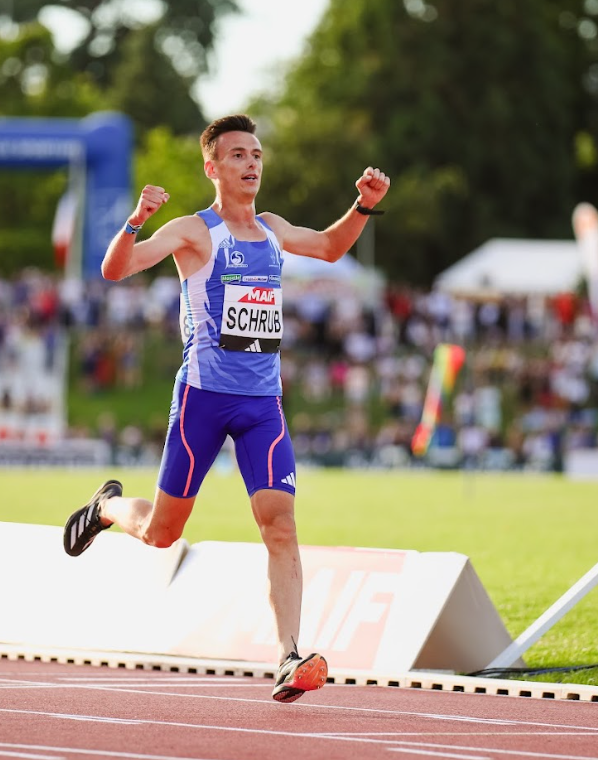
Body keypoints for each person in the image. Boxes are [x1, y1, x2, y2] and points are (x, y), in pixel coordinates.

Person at [62, 114, 390, 703]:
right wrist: (138, 220)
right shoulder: (194, 231)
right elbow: (116, 269)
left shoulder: (272, 228)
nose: (252, 162)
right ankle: (108, 506)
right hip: (202, 400)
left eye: (258, 154)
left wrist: (361, 207)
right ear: (213, 167)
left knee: (281, 525)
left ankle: (290, 655)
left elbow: (331, 248)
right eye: (238, 154)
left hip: (263, 403)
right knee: (163, 533)